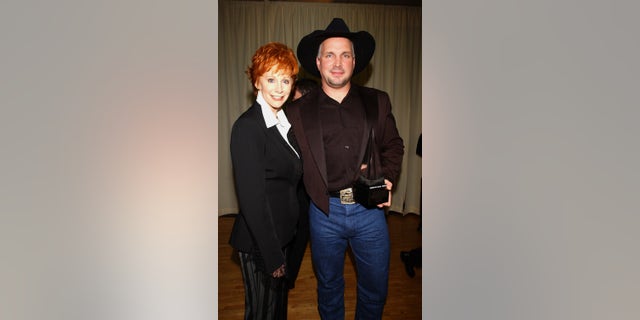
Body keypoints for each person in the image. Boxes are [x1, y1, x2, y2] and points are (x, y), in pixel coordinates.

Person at [286, 18, 404, 319]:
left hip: (370, 212)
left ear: (355, 61)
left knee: (376, 288)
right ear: (318, 61)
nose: (337, 63)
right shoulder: (297, 111)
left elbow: (394, 145)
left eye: (345, 55)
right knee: (328, 287)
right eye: (330, 54)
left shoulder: (377, 101)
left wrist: (387, 178)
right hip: (324, 212)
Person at [229, 42, 309, 320]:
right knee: (261, 314)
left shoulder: (284, 123)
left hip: (281, 238)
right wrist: (273, 256)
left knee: (277, 313)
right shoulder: (248, 127)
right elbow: (252, 200)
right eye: (271, 79)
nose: (279, 87)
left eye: (285, 79)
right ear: (256, 82)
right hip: (260, 245)